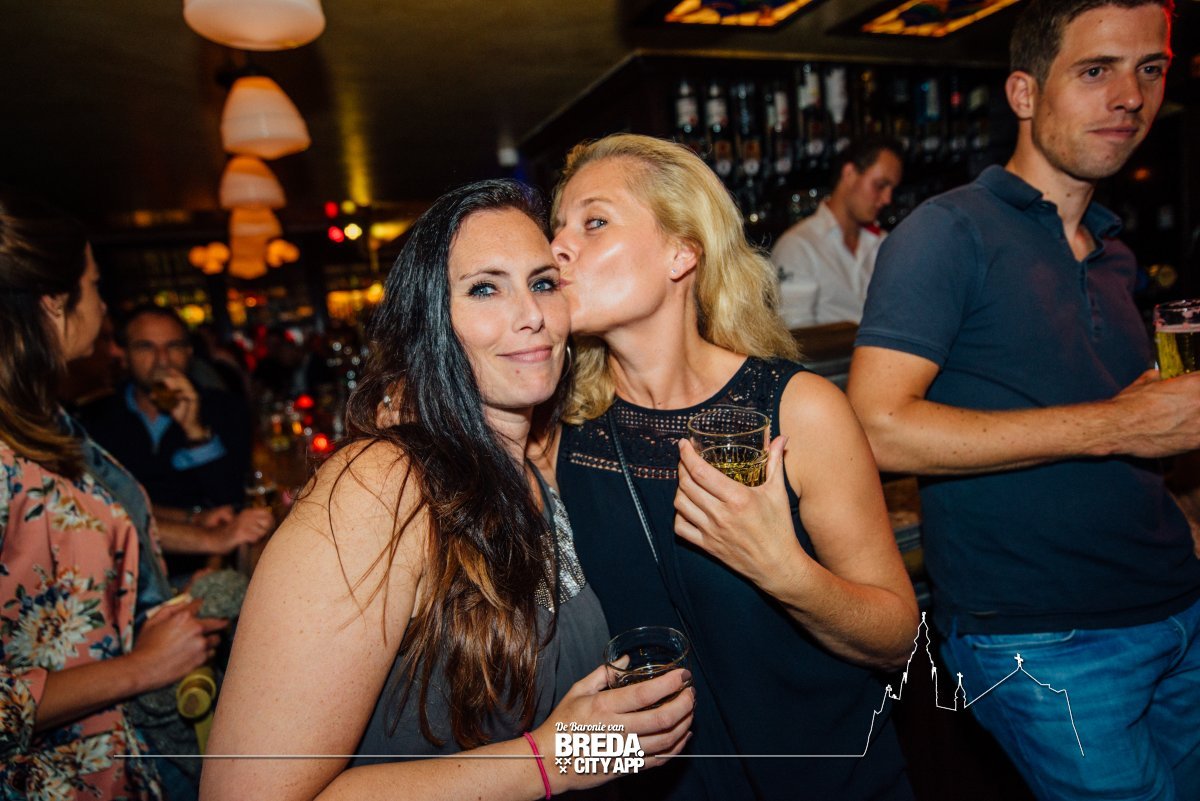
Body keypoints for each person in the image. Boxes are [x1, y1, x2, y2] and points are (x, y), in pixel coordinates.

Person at [200, 179, 694, 801]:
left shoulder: (538, 468)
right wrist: (552, 760)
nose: (532, 315)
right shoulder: (381, 488)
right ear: (432, 322)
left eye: (544, 283)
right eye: (485, 288)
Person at [847, 1, 1200, 798]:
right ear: (1024, 93)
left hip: (1178, 608)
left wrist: (1174, 491)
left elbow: (1130, 434)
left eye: (1150, 69)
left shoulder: (1113, 250)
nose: (1130, 96)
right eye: (1096, 70)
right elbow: (876, 428)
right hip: (1047, 640)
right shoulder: (947, 231)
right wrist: (1119, 425)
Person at [542, 133, 918, 800]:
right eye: (558, 227)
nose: (558, 247)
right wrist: (575, 748)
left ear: (682, 252)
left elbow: (899, 639)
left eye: (594, 222)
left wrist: (784, 570)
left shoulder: (798, 412)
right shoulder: (559, 438)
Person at [0, 189, 227, 799]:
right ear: (53, 303)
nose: (101, 306)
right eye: (95, 285)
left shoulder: (43, 418)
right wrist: (141, 666)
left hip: (125, 756)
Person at [78, 305, 270, 581]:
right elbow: (101, 506)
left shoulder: (225, 408)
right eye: (145, 347)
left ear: (189, 352)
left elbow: (231, 500)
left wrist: (195, 431)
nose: (162, 360)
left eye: (173, 346)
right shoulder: (94, 419)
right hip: (127, 571)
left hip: (208, 567)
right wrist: (193, 519)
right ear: (124, 355)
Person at [770, 138, 903, 329]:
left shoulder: (884, 243)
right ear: (849, 174)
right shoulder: (798, 246)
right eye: (880, 185)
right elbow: (796, 336)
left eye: (892, 190)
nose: (887, 199)